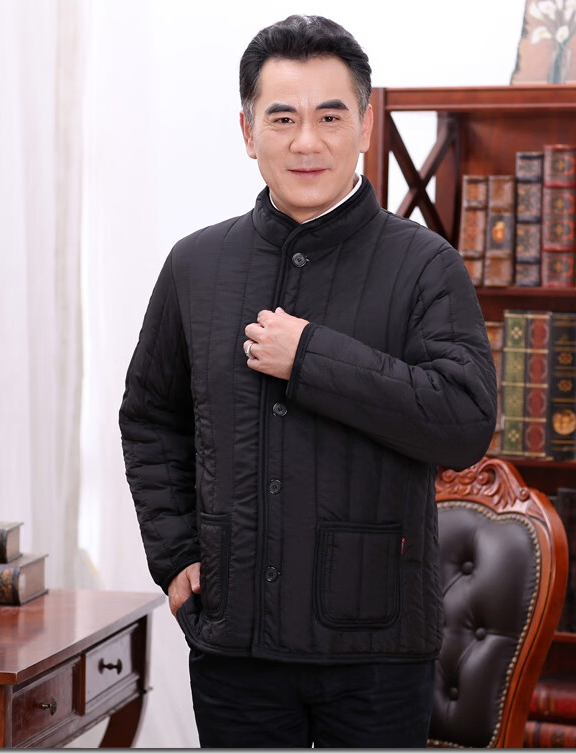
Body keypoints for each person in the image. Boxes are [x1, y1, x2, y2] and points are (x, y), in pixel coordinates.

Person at [119, 14, 497, 748]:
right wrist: (175, 555)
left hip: (379, 651)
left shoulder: (425, 265)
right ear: (247, 131)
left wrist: (313, 357)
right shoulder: (195, 266)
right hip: (234, 642)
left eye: (330, 117)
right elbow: (150, 418)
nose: (306, 142)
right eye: (282, 118)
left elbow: (463, 423)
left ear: (364, 126)